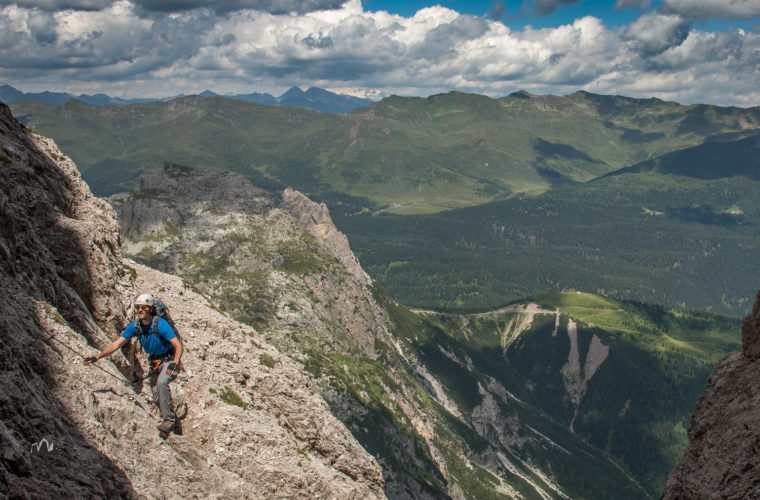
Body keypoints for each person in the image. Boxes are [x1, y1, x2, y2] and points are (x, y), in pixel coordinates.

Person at [84, 293, 183, 438]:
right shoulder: (135, 326)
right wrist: (97, 357)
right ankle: (172, 425)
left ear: (150, 309)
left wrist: (175, 363)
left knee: (162, 383)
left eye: (143, 307)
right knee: (156, 397)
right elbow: (117, 344)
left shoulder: (160, 324)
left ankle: (168, 421)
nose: (140, 310)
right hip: (155, 362)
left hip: (169, 360)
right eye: (138, 307)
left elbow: (178, 345)